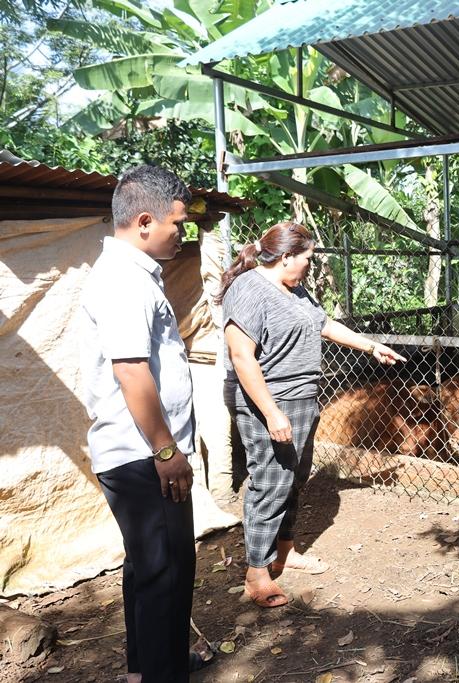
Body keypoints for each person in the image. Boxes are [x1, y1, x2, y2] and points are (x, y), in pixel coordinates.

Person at [217, 221, 405, 608]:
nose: (309, 266)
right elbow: (241, 356)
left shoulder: (293, 290)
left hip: (301, 397)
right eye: (307, 259)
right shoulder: (250, 289)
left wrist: (370, 347)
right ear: (285, 258)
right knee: (269, 481)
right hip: (267, 400)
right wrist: (271, 413)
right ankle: (256, 571)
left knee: (293, 479)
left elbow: (324, 324)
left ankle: (284, 550)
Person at [78, 165, 205, 681]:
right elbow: (131, 369)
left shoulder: (132, 276)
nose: (183, 233)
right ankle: (160, 673)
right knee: (166, 572)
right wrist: (166, 451)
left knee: (150, 570)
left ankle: (153, 665)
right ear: (146, 221)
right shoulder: (123, 281)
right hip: (143, 456)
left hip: (141, 454)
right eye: (178, 223)